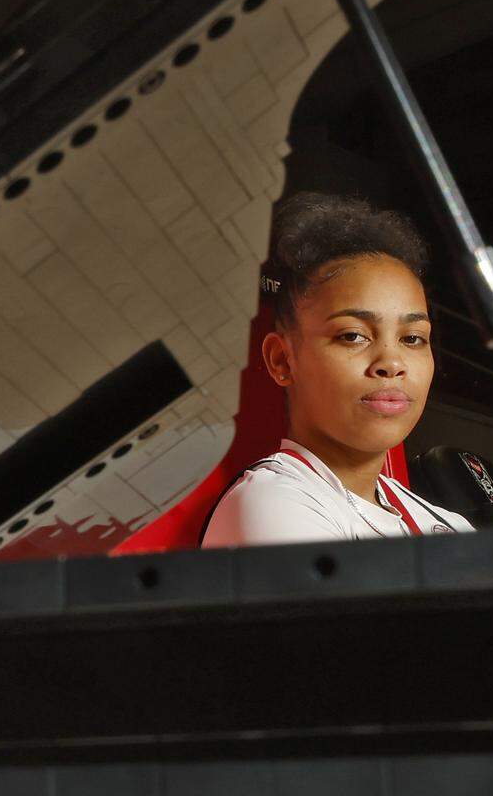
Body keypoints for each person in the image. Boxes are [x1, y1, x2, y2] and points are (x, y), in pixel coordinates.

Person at [201, 192, 472, 547]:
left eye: (412, 338)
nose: (391, 363)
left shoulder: (447, 523)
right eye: (353, 335)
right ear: (282, 360)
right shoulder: (274, 504)